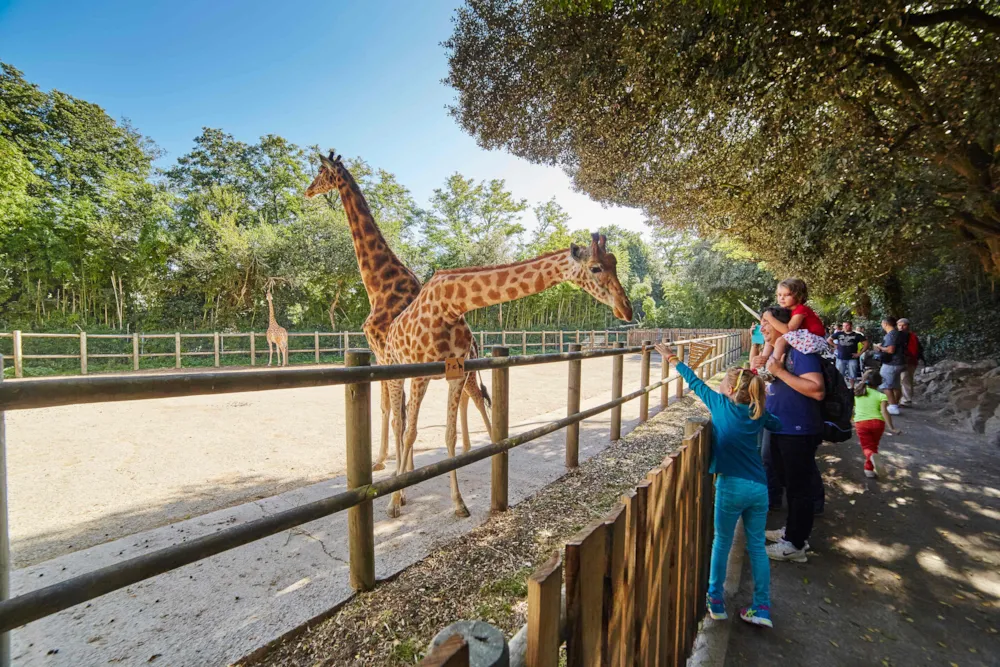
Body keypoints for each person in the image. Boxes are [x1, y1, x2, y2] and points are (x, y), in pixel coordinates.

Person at [656, 343, 777, 628]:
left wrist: (673, 358)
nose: (720, 384)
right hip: (759, 488)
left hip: (731, 486)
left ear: (731, 390)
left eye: (724, 382)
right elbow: (778, 423)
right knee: (757, 547)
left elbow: (695, 382)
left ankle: (716, 600)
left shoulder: (720, 405)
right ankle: (761, 607)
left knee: (721, 542)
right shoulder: (757, 413)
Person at [758, 307, 826, 563]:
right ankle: (792, 531)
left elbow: (817, 390)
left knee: (799, 488)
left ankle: (795, 546)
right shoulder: (781, 351)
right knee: (790, 485)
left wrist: (780, 373)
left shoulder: (801, 352)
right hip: (780, 428)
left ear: (783, 325)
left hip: (798, 430)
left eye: (766, 323)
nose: (763, 328)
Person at [754, 278, 829, 375]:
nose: (782, 298)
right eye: (779, 295)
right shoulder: (790, 311)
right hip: (805, 336)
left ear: (799, 297)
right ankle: (763, 361)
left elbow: (788, 330)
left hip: (814, 338)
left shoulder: (800, 310)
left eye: (787, 295)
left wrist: (770, 318)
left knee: (780, 341)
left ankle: (773, 367)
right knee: (771, 340)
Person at [853, 369, 900, 479]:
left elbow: (852, 408)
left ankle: (871, 458)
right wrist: (892, 428)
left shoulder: (858, 393)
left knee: (867, 448)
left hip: (861, 423)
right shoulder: (881, 396)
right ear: (879, 382)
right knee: (873, 446)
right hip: (878, 424)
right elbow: (884, 412)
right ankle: (868, 470)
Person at [873, 317, 908, 415]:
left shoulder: (891, 335)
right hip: (900, 362)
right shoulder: (899, 334)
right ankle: (895, 403)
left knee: (885, 385)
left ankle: (892, 406)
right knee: (896, 385)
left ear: (885, 324)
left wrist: (879, 347)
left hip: (891, 363)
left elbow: (890, 350)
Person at [828, 320, 868, 386]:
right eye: (844, 326)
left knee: (852, 375)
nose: (845, 327)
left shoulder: (857, 335)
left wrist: (859, 354)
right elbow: (829, 340)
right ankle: (841, 389)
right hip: (840, 357)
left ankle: (852, 388)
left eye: (847, 325)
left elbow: (866, 344)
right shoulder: (839, 334)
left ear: (851, 326)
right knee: (840, 375)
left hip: (852, 358)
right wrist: (835, 346)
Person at [898, 318, 925, 407]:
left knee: (906, 379)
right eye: (899, 325)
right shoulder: (899, 335)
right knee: (903, 380)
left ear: (908, 326)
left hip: (909, 361)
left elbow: (913, 351)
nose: (901, 327)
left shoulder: (911, 336)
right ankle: (902, 399)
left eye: (903, 325)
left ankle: (906, 400)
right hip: (901, 361)